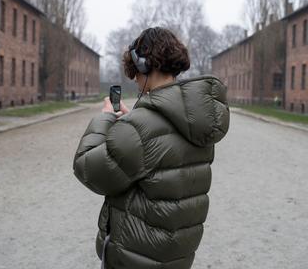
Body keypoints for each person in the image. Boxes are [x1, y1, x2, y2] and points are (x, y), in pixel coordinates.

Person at [73, 27, 230, 269]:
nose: (135, 78)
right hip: (175, 257)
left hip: (135, 257)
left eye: (135, 71)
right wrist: (133, 120)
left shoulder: (139, 128)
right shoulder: (195, 121)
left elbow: (88, 169)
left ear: (146, 65)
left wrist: (104, 120)